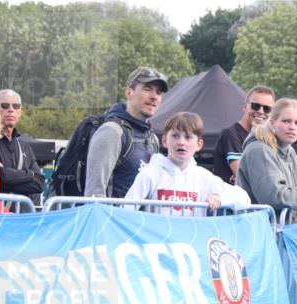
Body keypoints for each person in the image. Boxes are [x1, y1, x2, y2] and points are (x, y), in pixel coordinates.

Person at [124, 112, 250, 216]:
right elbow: (125, 211)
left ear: (199, 145)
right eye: (175, 136)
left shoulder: (203, 177)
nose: (181, 142)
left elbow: (243, 197)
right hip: (157, 245)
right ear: (164, 141)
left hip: (191, 245)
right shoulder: (150, 173)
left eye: (188, 137)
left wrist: (219, 198)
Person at [85, 66, 168, 198]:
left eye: (158, 93)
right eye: (147, 89)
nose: (154, 97)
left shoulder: (153, 138)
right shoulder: (112, 132)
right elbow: (94, 194)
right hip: (112, 217)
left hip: (141, 218)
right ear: (129, 92)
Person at [0, 89, 45, 205]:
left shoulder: (25, 147)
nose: (11, 110)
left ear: (20, 112)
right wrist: (29, 175)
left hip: (23, 218)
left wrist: (8, 177)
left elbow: (39, 184)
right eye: (5, 106)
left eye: (16, 106)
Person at [213, 85, 275, 184]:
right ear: (245, 106)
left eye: (267, 108)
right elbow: (243, 175)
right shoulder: (230, 134)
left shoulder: (268, 139)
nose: (260, 111)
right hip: (230, 198)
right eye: (256, 106)